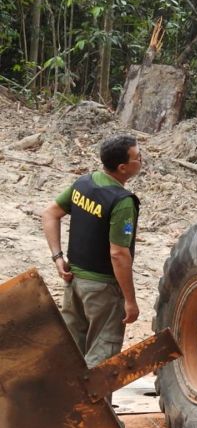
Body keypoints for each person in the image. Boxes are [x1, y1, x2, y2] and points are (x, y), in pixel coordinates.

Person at [42, 134, 142, 368]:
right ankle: (92, 405)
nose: (142, 160)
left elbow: (50, 213)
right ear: (123, 167)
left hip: (74, 283)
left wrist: (58, 258)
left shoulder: (84, 183)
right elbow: (118, 254)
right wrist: (130, 300)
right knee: (101, 358)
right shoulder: (122, 201)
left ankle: (63, 403)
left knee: (71, 353)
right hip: (103, 290)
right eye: (138, 157)